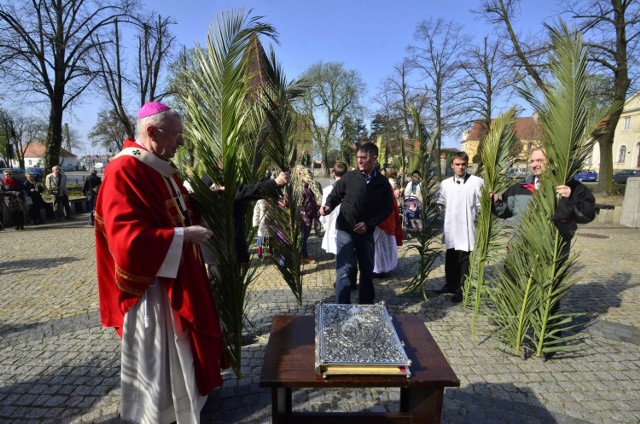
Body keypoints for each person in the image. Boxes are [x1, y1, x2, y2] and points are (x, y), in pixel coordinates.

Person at [95, 101, 226, 423]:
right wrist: (180, 236)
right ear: (152, 131)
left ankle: (189, 402)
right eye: (176, 135)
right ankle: (161, 412)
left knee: (180, 346)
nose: (180, 143)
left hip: (177, 270)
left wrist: (204, 200)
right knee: (162, 348)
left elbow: (174, 209)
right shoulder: (124, 170)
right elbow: (126, 238)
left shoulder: (156, 166)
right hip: (153, 286)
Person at [320, 142, 394, 304]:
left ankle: (366, 306)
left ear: (373, 158)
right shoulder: (349, 177)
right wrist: (328, 206)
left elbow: (387, 209)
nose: (359, 161)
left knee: (367, 271)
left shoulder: (382, 183)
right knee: (345, 270)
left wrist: (369, 224)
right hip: (345, 230)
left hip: (366, 232)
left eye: (363, 157)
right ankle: (341, 307)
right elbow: (335, 194)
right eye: (358, 157)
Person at [492, 148, 596, 258]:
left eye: (539, 160)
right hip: (519, 253)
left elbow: (587, 215)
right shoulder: (519, 188)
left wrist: (572, 197)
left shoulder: (570, 187)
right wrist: (496, 202)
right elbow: (505, 211)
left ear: (552, 161)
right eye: (532, 161)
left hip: (551, 255)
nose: (534, 165)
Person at [435, 152, 484, 303]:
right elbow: (440, 201)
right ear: (452, 165)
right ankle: (450, 284)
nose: (460, 167)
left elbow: (481, 205)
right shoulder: (445, 184)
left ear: (467, 164)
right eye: (457, 164)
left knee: (464, 261)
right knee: (450, 259)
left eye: (463, 164)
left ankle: (462, 289)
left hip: (467, 227)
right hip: (451, 227)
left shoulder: (477, 182)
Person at [373, 180, 403, 278]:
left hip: (383, 218)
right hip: (377, 219)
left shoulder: (384, 183)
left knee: (383, 245)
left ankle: (383, 269)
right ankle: (378, 268)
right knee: (378, 246)